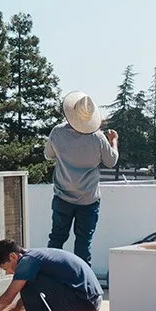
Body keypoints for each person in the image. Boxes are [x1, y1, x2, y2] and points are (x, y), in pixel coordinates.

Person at [45, 90, 118, 265]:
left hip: (63, 197)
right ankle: (82, 284)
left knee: (56, 240)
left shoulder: (57, 132)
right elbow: (111, 161)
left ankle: (49, 275)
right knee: (83, 244)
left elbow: (48, 155)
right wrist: (113, 140)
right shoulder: (98, 138)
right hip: (88, 200)